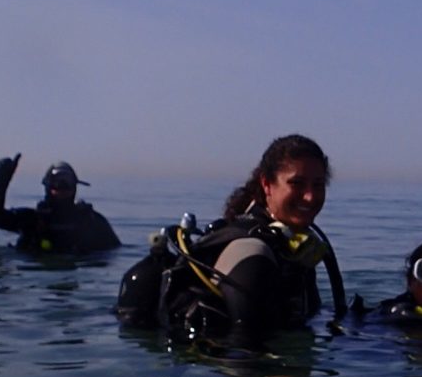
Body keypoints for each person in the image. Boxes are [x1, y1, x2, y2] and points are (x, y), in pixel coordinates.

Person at [135, 134, 345, 337]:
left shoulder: (292, 245)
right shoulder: (252, 252)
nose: (310, 196)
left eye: (318, 185)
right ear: (267, 185)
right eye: (296, 183)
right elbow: (243, 347)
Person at [0, 154, 120, 254]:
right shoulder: (32, 220)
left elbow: (115, 252)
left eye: (67, 182)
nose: (61, 187)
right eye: (56, 183)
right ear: (47, 187)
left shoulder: (91, 221)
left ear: (74, 187)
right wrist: (1, 185)